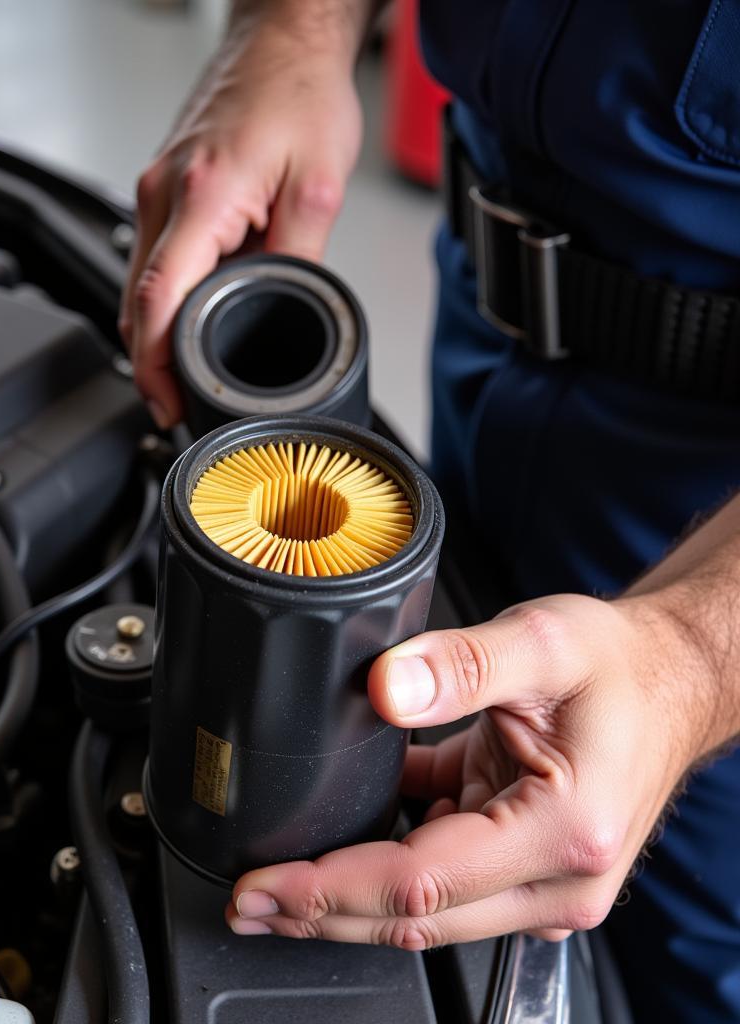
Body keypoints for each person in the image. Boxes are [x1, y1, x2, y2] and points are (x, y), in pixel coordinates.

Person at [118, 2, 740, 1020]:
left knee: (672, 942)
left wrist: (694, 662)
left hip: (706, 523)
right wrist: (294, 31)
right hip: (484, 324)